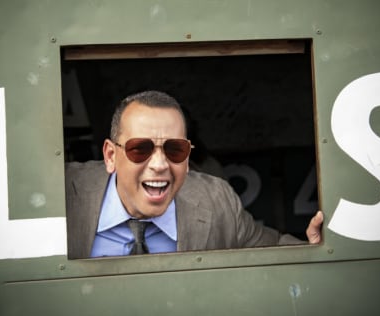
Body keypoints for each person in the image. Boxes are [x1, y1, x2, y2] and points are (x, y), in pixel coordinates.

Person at [65, 90, 323, 259]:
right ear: (111, 156)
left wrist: (315, 249)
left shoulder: (216, 198)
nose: (159, 164)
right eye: (140, 149)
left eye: (175, 149)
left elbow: (273, 248)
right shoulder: (63, 193)